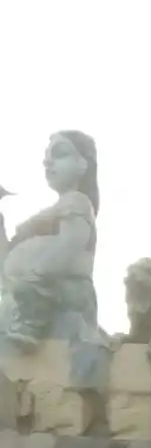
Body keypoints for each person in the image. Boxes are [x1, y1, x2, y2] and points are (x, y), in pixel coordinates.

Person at [0, 130, 101, 344]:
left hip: (55, 292)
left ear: (83, 165)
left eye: (60, 154)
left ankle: (31, 328)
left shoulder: (77, 201)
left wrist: (35, 276)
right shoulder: (57, 207)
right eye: (47, 156)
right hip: (24, 294)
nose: (47, 162)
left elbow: (70, 244)